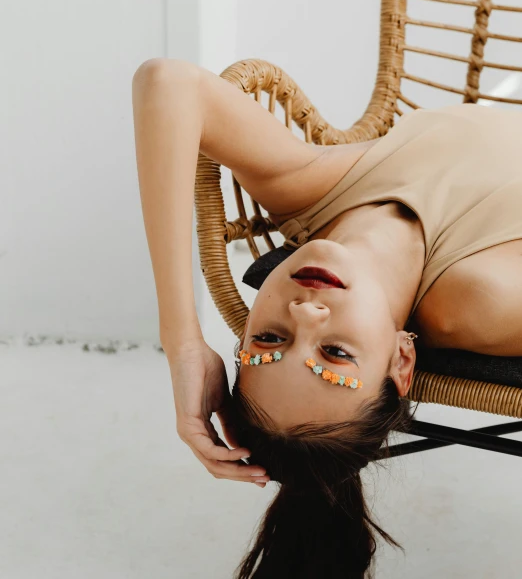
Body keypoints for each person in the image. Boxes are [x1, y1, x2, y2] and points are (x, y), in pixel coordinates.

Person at [131, 57, 522, 578]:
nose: (306, 312)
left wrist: (181, 341)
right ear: (402, 361)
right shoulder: (476, 303)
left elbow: (167, 82)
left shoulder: (306, 190)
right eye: (335, 352)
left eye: (270, 338)